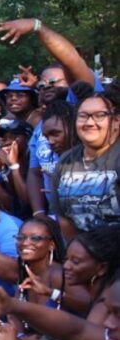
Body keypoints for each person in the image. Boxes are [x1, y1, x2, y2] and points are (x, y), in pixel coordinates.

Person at [51, 88, 120, 239]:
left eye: (99, 115)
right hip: (82, 255)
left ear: (116, 120)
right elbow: (64, 218)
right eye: (83, 116)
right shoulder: (65, 161)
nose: (89, 122)